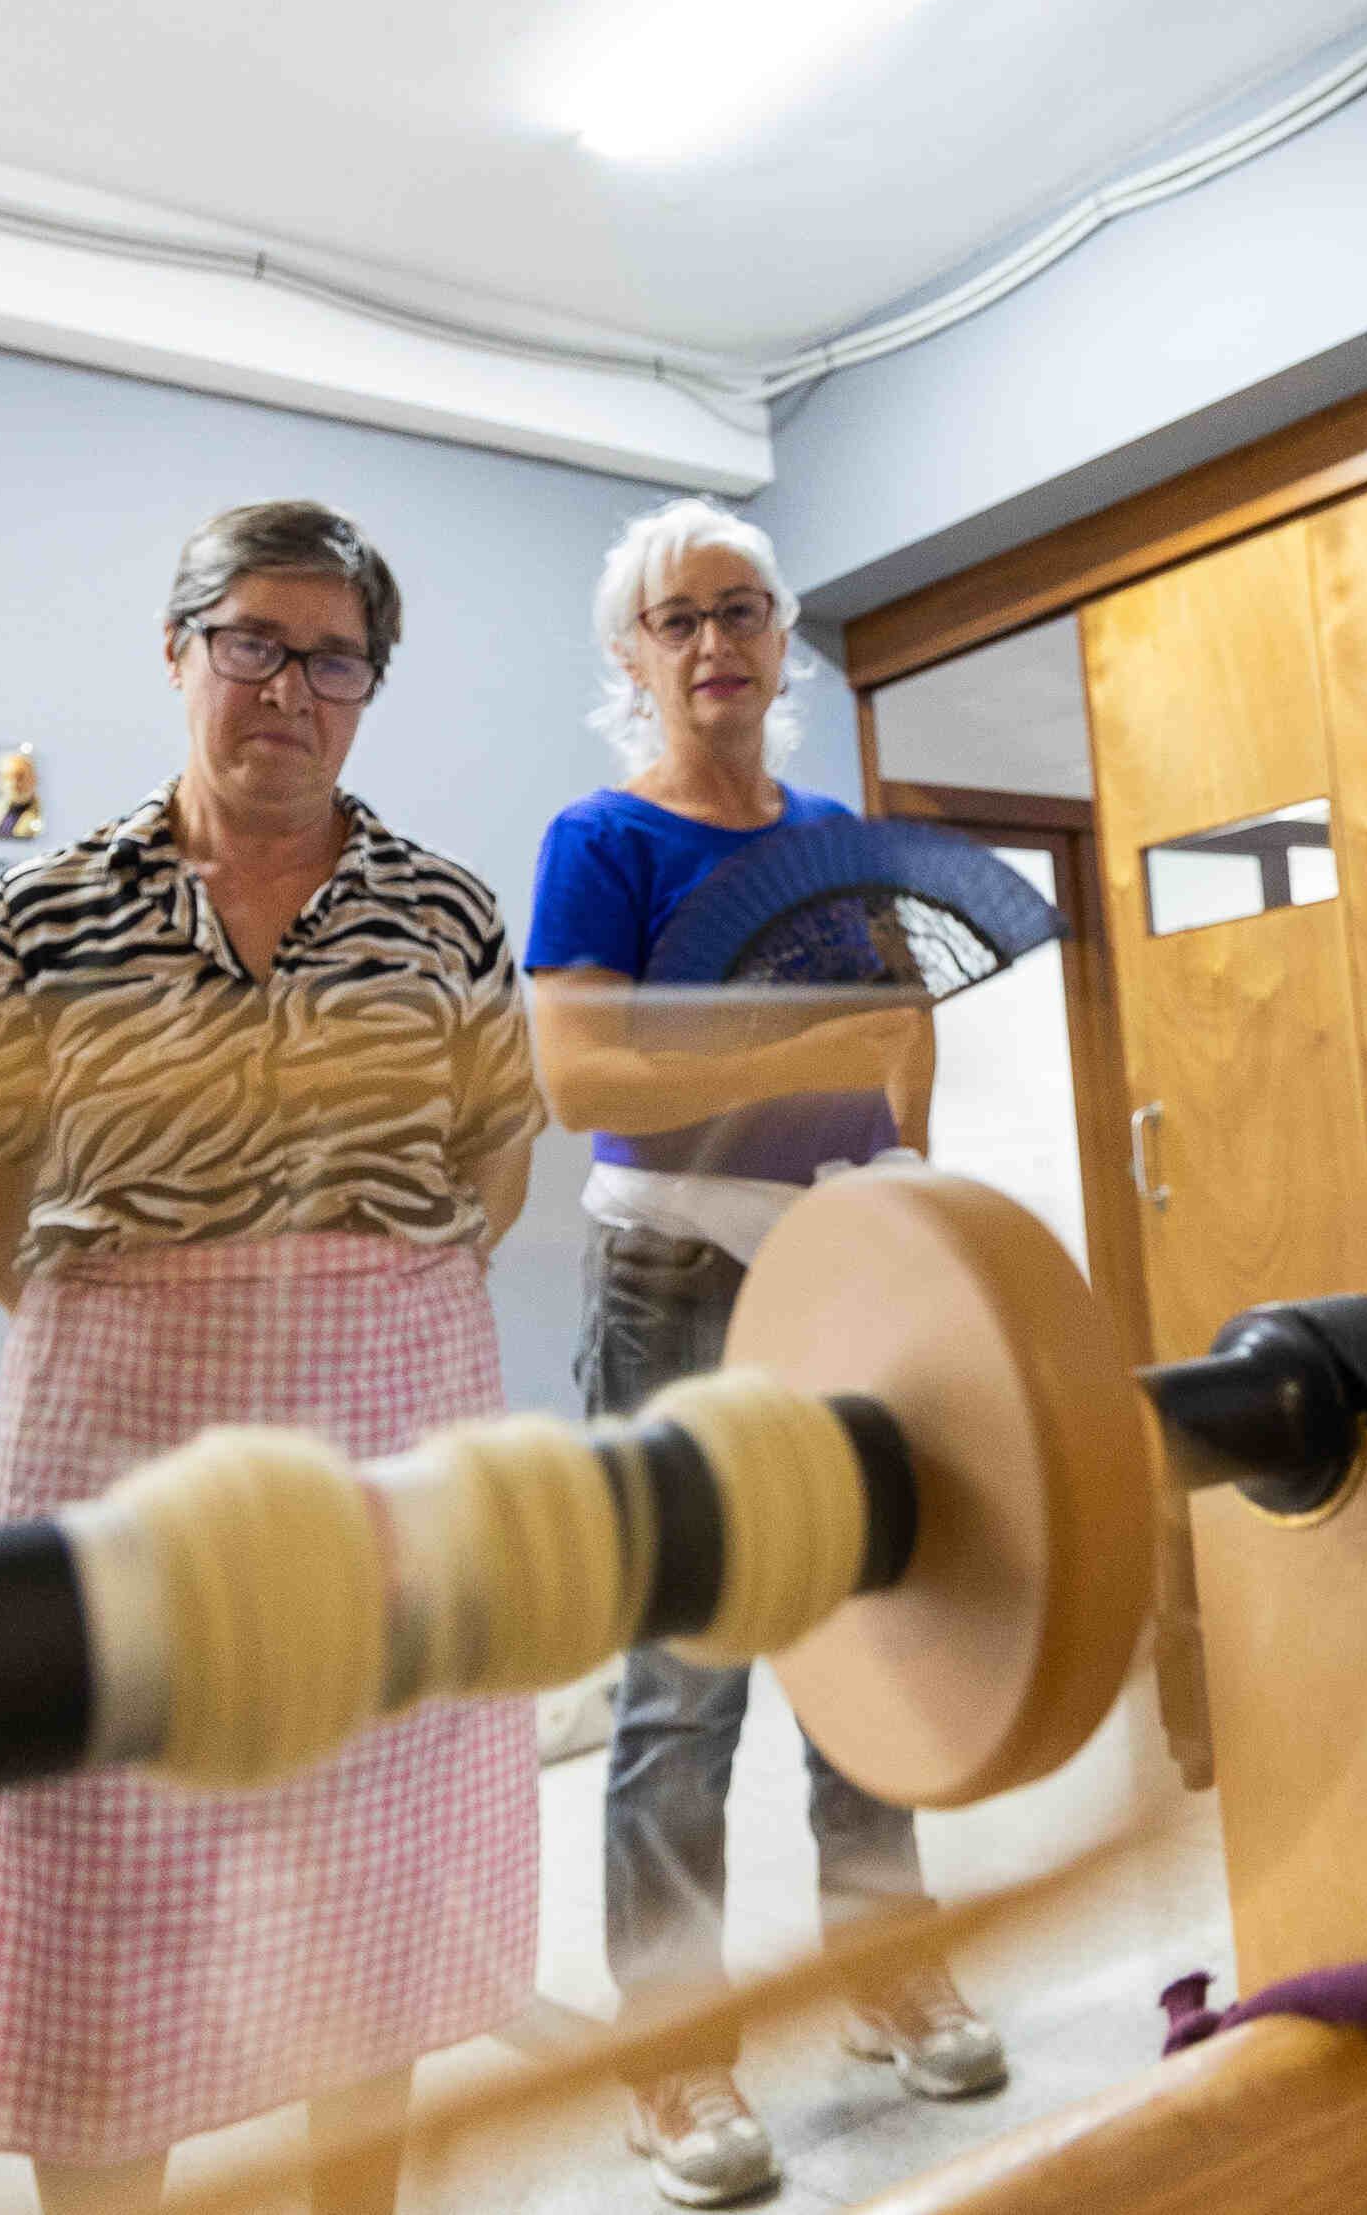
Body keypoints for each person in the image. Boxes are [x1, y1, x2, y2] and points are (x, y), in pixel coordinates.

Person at [0, 502, 544, 2215]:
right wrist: (160, 1339)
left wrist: (360, 1318)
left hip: (393, 1435)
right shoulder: (47, 915)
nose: (289, 688)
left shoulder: (445, 913)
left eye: (333, 659)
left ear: (367, 690)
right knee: (106, 1854)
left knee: (373, 1854)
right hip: (117, 1445)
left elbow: (498, 1159)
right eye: (253, 642)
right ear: (181, 650)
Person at [525, 498, 1004, 2207]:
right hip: (674, 1282)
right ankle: (672, 2067)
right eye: (678, 618)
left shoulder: (835, 838)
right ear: (629, 653)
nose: (714, 642)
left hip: (847, 1270)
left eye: (743, 609)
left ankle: (886, 1971)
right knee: (687, 1675)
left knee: (873, 1636)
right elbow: (580, 1086)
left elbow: (899, 1037)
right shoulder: (605, 839)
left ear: (782, 636)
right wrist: (788, 1040)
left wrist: (904, 1183)